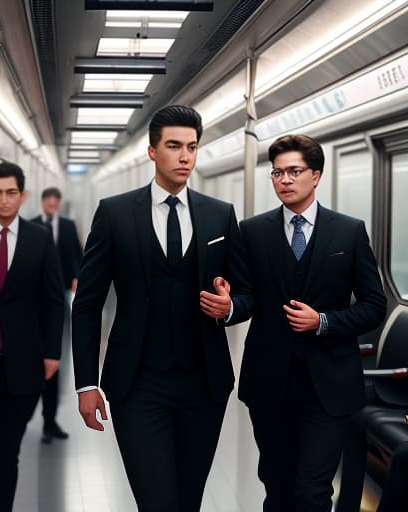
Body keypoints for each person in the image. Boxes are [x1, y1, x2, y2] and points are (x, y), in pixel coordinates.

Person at [71, 104, 253, 512]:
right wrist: (86, 383)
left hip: (204, 385)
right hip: (136, 384)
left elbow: (247, 294)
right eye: (174, 146)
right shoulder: (115, 213)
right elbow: (87, 305)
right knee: (156, 501)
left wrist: (229, 308)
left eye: (192, 147)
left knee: (188, 501)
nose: (185, 156)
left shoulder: (219, 215)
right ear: (152, 152)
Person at [238, 134, 387, 512]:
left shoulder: (348, 232)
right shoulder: (251, 232)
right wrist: (227, 306)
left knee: (313, 490)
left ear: (315, 176)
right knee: (277, 484)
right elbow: (245, 298)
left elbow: (373, 306)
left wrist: (322, 321)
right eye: (277, 172)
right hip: (269, 382)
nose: (284, 180)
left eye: (294, 171)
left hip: (330, 385)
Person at [0, 162, 64, 512]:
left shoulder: (39, 240)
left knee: (7, 454)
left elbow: (54, 301)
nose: (4, 201)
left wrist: (53, 352)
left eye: (11, 193)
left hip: (23, 367)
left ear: (22, 196)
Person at [31, 186, 83, 443]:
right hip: (30, 300)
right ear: (42, 202)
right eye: (47, 199)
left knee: (53, 354)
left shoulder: (68, 225)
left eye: (55, 200)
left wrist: (76, 276)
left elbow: (77, 253)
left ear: (59, 203)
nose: (51, 203)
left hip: (59, 295)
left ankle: (49, 421)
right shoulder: (29, 226)